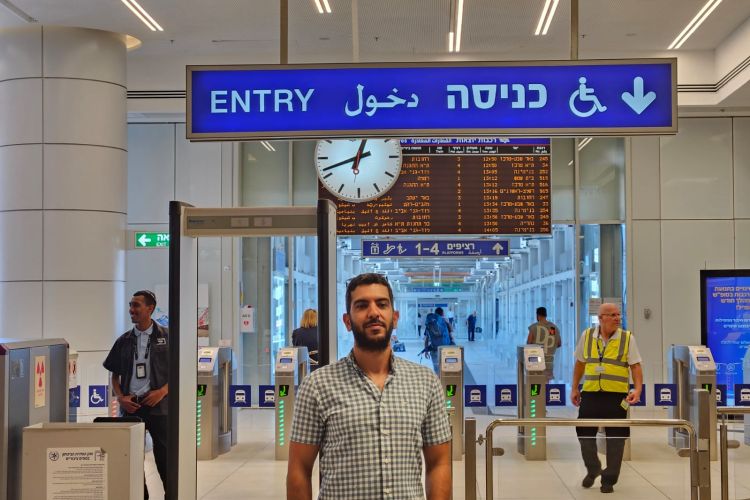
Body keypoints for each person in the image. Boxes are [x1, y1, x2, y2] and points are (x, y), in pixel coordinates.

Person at [287, 273, 451, 500]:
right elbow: (299, 469)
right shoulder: (317, 385)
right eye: (362, 305)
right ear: (347, 321)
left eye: (382, 304)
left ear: (394, 317)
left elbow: (439, 463)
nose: (374, 312)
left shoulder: (426, 382)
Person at [103, 290, 169, 499]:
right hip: (131, 407)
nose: (132, 310)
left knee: (165, 458)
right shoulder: (124, 340)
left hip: (159, 406)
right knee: (130, 456)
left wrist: (162, 392)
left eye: (136, 305)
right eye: (131, 305)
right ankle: (141, 496)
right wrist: (121, 397)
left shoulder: (168, 337)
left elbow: (180, 371)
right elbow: (114, 376)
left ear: (150, 308)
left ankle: (172, 494)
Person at [571, 303, 643, 494]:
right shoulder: (587, 336)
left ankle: (609, 479)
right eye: (612, 315)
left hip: (617, 396)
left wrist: (637, 388)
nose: (617, 318)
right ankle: (593, 467)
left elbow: (635, 366)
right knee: (584, 433)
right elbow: (579, 363)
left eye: (619, 314)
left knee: (616, 438)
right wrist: (574, 387)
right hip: (591, 393)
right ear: (600, 318)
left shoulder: (627, 338)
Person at [527, 306, 561, 381]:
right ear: (546, 315)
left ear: (538, 315)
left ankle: (536, 392)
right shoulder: (552, 328)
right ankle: (545, 392)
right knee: (546, 383)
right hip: (549, 361)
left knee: (535, 384)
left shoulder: (534, 327)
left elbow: (528, 343)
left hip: (535, 361)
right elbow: (558, 343)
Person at [423, 307, 454, 374]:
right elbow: (451, 332)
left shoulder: (430, 323)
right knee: (446, 368)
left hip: (434, 349)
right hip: (445, 349)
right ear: (442, 313)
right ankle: (445, 382)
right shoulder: (444, 322)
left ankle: (438, 382)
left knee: (436, 369)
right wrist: (448, 323)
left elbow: (426, 338)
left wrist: (426, 350)